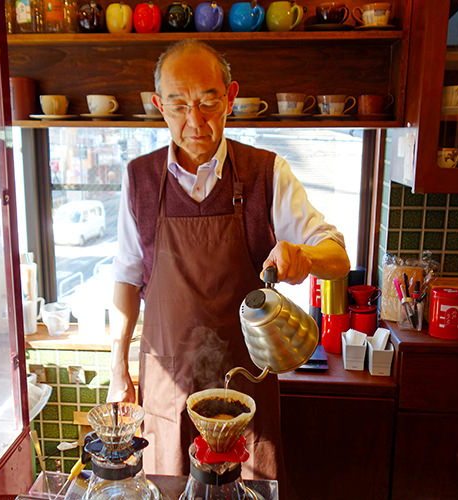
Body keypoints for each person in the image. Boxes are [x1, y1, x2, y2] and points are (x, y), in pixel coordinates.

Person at [108, 40, 350, 481]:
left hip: (245, 387)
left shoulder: (266, 173)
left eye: (208, 101)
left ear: (231, 98)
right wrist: (117, 366)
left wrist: (306, 255)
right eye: (179, 104)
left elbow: (337, 257)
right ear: (159, 106)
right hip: (167, 383)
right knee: (169, 486)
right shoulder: (138, 180)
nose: (194, 120)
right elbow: (126, 278)